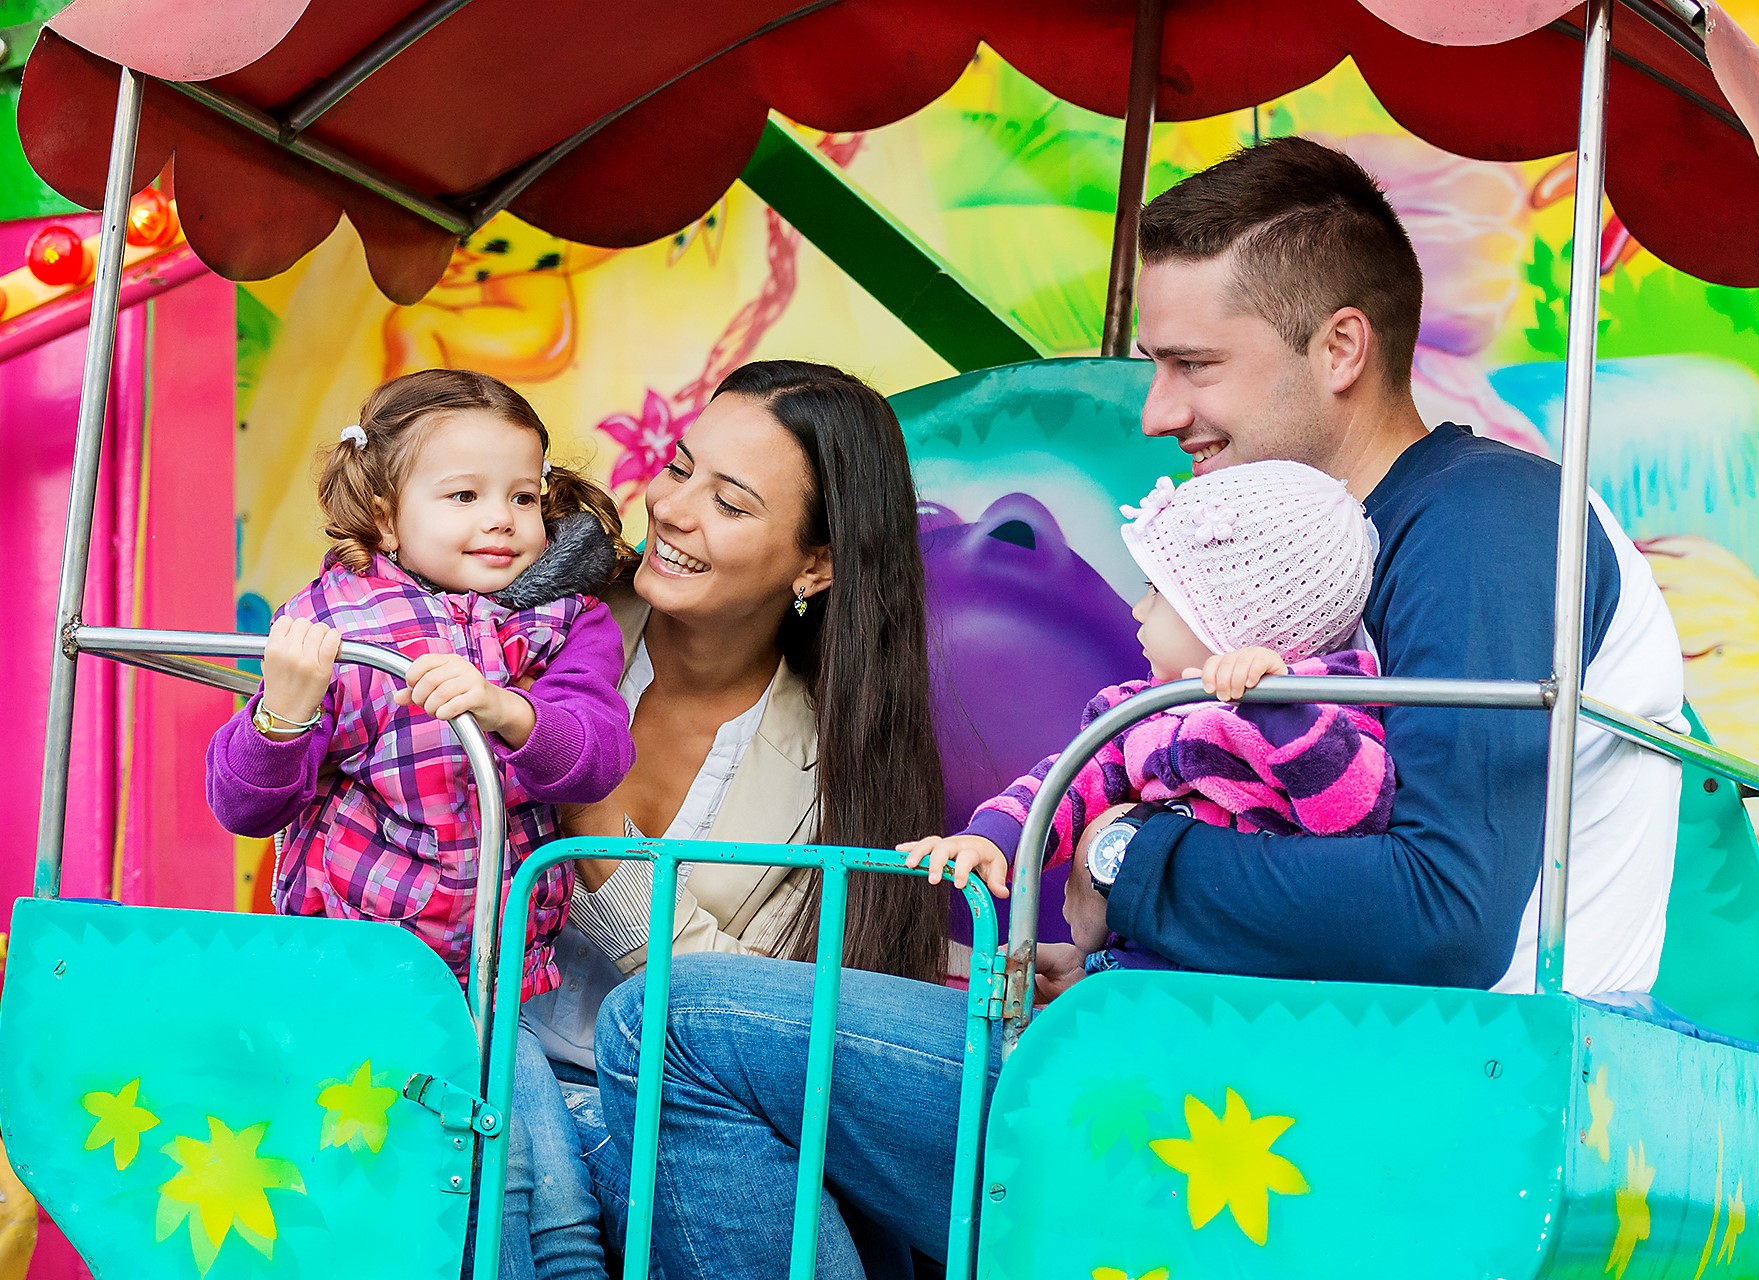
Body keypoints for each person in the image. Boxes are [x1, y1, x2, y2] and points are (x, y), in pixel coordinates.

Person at [589, 135, 1687, 1277]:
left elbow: (1440, 911)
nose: (1157, 412)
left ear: (1341, 347)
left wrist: (1120, 862)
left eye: (1193, 365)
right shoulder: (1338, 548)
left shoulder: (1482, 524)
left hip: (1389, 1114)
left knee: (680, 1028)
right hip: (1247, 1061)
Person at [202, 368, 637, 1280]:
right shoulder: (333, 625)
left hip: (498, 979)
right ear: (388, 518)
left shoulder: (564, 623)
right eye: (465, 496)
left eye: (523, 495)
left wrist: (509, 710)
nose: (503, 519)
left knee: (550, 1194)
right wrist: (280, 714)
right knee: (485, 1186)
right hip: (367, 979)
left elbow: (597, 755)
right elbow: (245, 805)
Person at [521, 359, 951, 1277]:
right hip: (493, 1074)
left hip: (679, 1131)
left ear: (816, 563)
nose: (672, 511)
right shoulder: (535, 622)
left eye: (731, 501)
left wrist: (592, 826)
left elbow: (754, 1020)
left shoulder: (841, 765)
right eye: (678, 469)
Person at [901, 460, 1393, 972]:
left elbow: (1355, 814)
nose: (1138, 608)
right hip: (1140, 975)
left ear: (1227, 616)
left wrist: (1281, 709)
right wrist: (994, 838)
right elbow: (1068, 781)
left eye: (1157, 592)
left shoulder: (1327, 714)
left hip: (1255, 992)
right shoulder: (1144, 711)